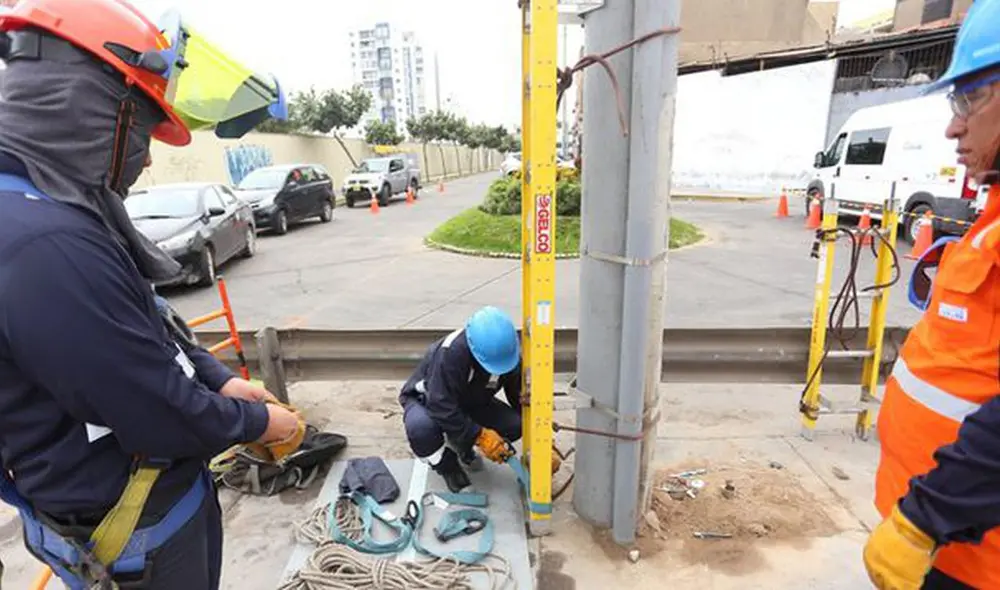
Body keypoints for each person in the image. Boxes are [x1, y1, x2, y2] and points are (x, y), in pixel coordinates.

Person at [0, 1, 303, 588]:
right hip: (135, 538)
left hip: (137, 513)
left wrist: (217, 380)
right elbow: (157, 411)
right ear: (87, 105)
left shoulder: (55, 203)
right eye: (140, 128)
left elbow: (144, 326)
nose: (146, 154)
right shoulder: (45, 244)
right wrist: (258, 423)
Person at [863, 1, 1000, 588]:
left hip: (968, 554)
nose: (953, 125)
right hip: (940, 544)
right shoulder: (990, 216)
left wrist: (925, 519)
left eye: (971, 98)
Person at [399, 306, 524, 493]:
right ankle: (447, 466)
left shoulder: (506, 354)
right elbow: (440, 405)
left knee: (515, 425)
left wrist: (540, 437)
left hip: (469, 401)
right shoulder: (450, 354)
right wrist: (480, 435)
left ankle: (461, 446)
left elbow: (518, 395)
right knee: (421, 430)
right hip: (428, 402)